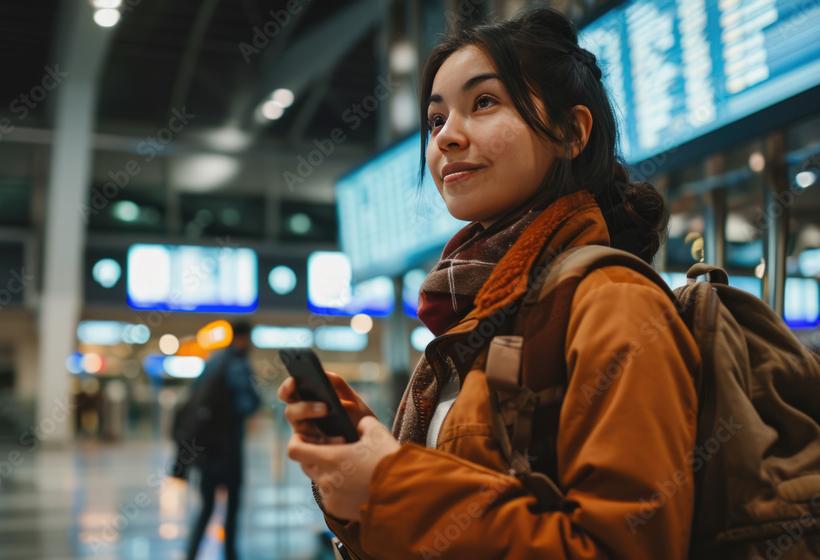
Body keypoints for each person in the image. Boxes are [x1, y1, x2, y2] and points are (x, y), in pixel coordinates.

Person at [278, 8, 700, 559]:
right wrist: (362, 481)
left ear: (571, 132)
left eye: (483, 103)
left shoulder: (612, 301)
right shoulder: (476, 312)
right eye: (435, 120)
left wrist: (391, 483)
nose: (447, 137)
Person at [176, 321, 260, 560]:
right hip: (229, 448)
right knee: (232, 507)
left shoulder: (212, 362)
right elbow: (249, 404)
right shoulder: (239, 365)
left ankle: (190, 554)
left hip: (205, 449)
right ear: (243, 339)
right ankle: (231, 554)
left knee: (206, 506)